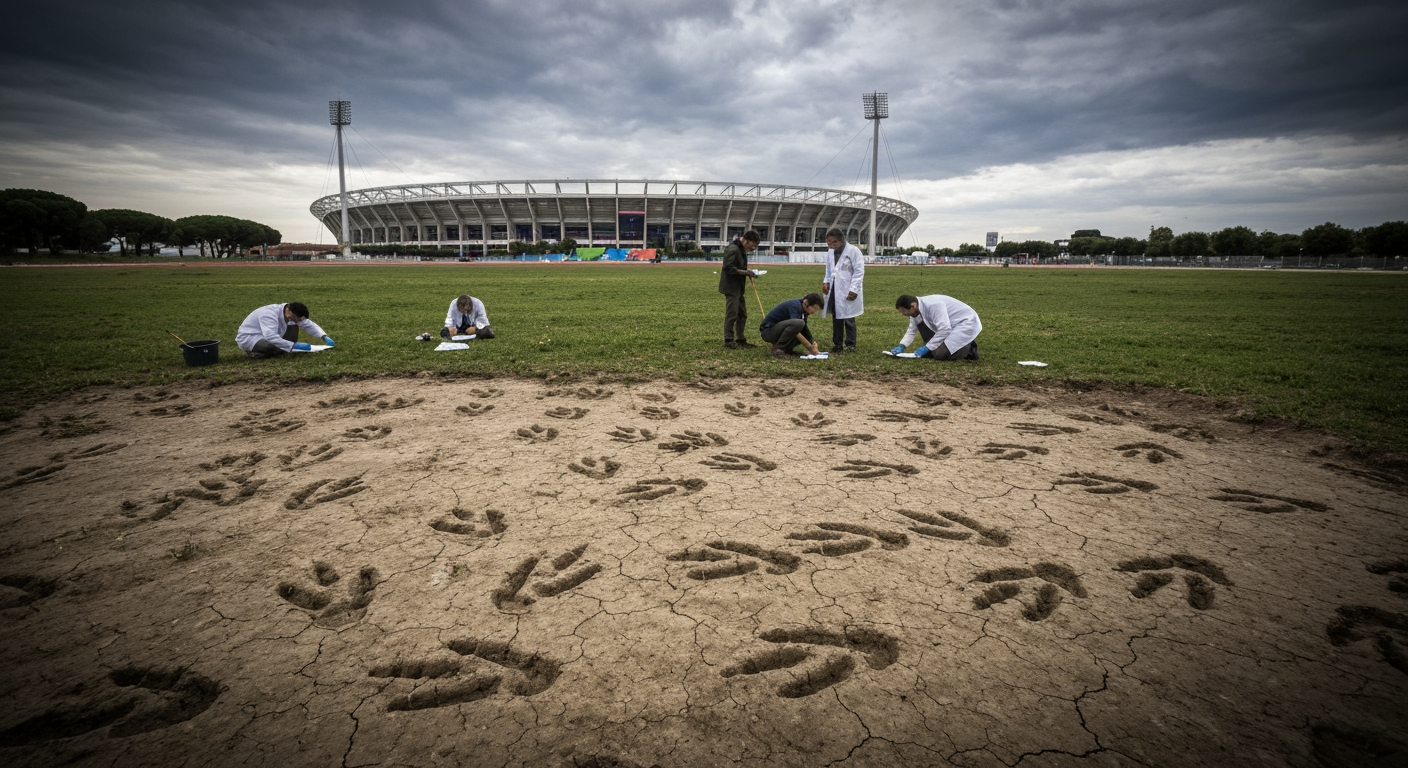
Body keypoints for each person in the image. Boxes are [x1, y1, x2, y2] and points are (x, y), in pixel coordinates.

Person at [891, 294, 981, 360]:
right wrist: (902, 346)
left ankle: (969, 348)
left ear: (913, 306)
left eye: (903, 311)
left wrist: (927, 347)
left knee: (940, 354)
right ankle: (942, 346)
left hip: (966, 323)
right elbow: (912, 330)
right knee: (931, 348)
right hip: (950, 326)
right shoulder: (915, 311)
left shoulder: (934, 305)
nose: (903, 314)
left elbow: (945, 329)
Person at [236, 302, 334, 359]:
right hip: (251, 339)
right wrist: (293, 346)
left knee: (293, 326)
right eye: (296, 318)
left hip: (270, 337)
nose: (298, 321)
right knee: (273, 344)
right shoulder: (268, 314)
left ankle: (278, 351)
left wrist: (323, 336)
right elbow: (270, 336)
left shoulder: (291, 313)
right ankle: (256, 353)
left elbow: (308, 324)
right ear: (289, 310)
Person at [822, 228, 864, 352]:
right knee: (836, 316)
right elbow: (828, 270)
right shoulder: (830, 252)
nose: (830, 245)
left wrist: (854, 289)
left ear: (841, 240)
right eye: (828, 243)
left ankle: (851, 344)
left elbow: (859, 271)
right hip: (835, 288)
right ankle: (837, 344)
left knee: (849, 317)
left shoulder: (853, 251)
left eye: (832, 242)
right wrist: (826, 281)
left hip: (848, 288)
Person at [718, 230, 761, 349]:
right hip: (731, 287)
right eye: (754, 245)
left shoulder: (741, 249)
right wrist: (746, 272)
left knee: (742, 314)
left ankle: (741, 339)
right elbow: (728, 268)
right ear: (746, 240)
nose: (754, 248)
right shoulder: (733, 249)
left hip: (738, 287)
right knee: (732, 313)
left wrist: (747, 272)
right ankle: (729, 340)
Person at [760, 293, 824, 358]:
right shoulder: (795, 306)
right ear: (806, 303)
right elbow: (797, 327)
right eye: (814, 308)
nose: (813, 311)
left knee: (801, 328)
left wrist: (812, 342)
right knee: (798, 324)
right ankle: (778, 348)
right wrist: (809, 347)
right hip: (768, 332)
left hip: (778, 330)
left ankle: (786, 350)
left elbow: (804, 329)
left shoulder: (803, 309)